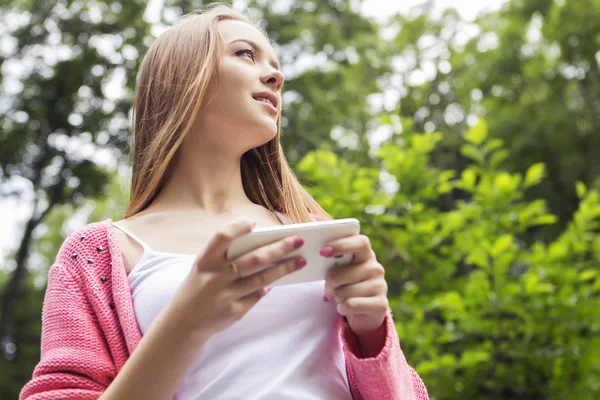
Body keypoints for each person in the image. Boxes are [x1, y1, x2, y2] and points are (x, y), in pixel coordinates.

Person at [21, 4, 428, 400]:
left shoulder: (311, 227)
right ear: (181, 78)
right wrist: (186, 323)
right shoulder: (94, 256)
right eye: (245, 54)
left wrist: (372, 332)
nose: (276, 75)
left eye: (274, 63)